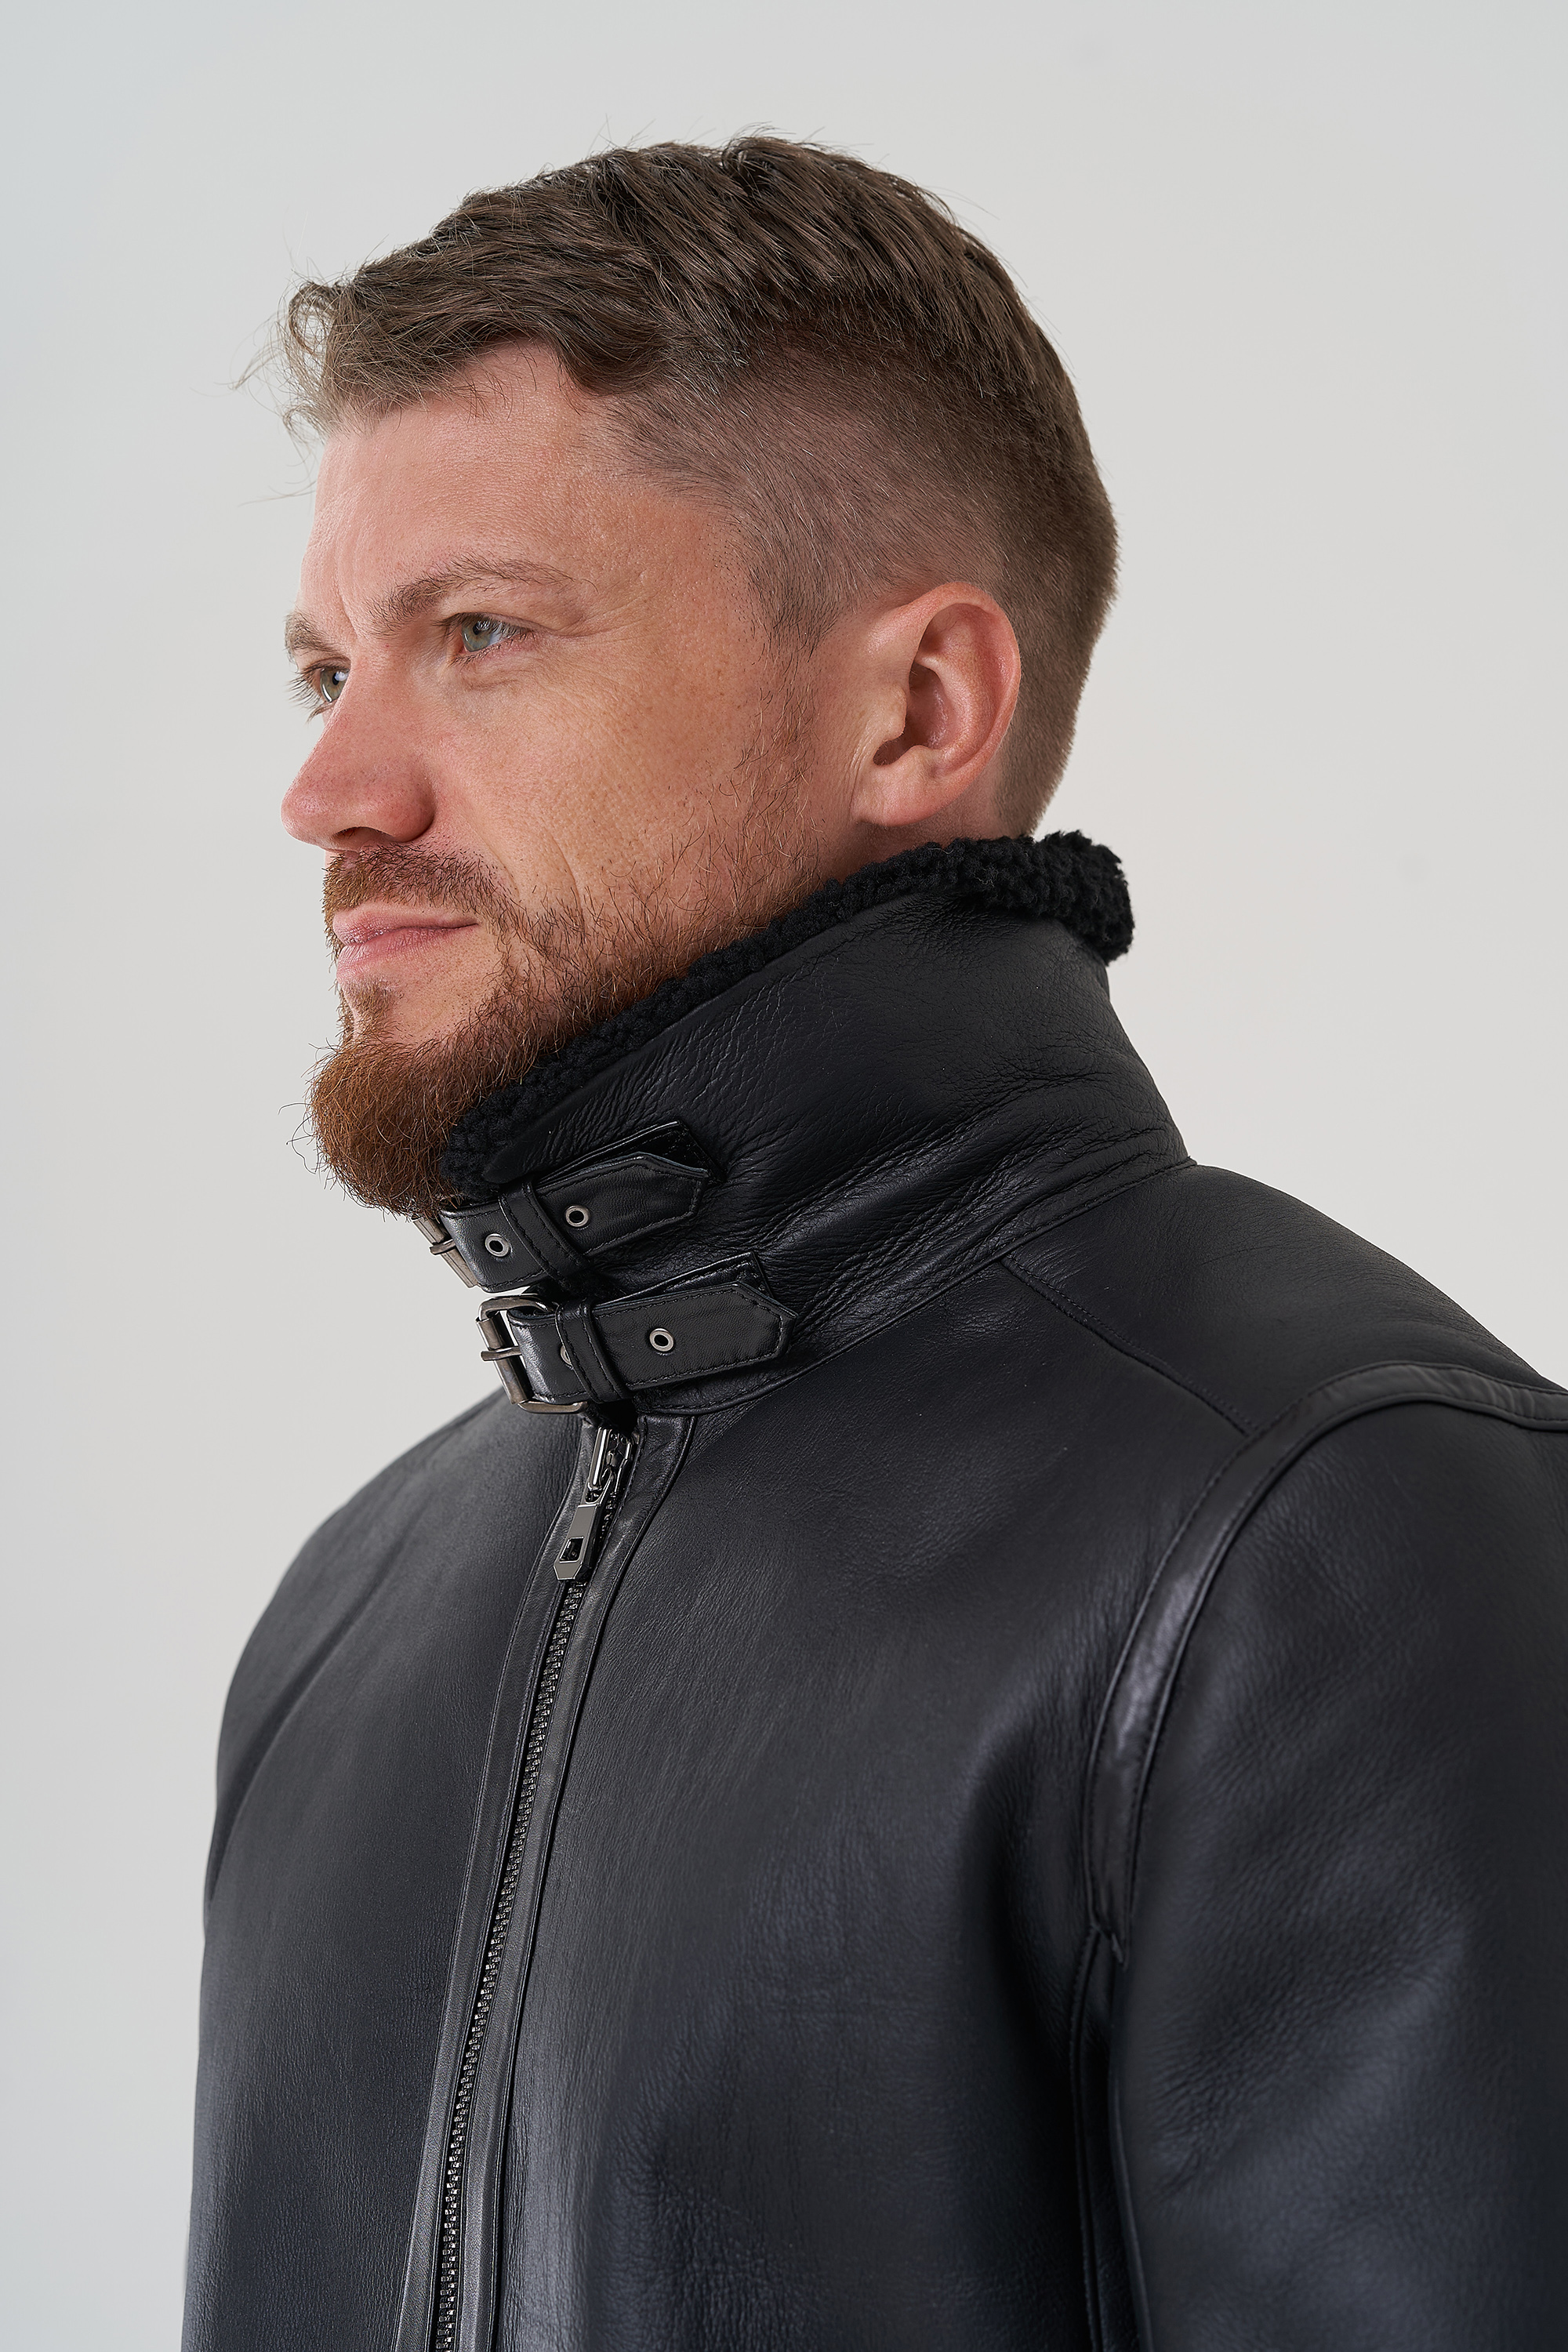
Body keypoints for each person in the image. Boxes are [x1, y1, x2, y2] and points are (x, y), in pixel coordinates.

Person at [184, 137, 1568, 2352]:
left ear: (919, 709)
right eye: (321, 669)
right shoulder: (347, 1616)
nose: (334, 790)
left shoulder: (1337, 1529)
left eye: (479, 635)